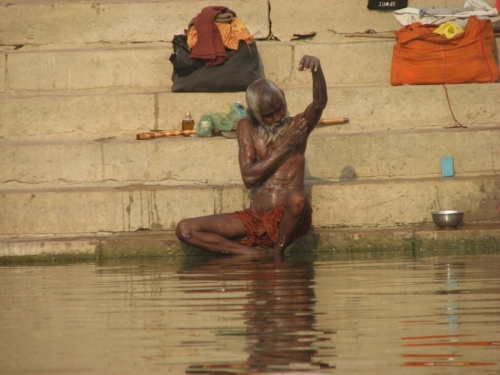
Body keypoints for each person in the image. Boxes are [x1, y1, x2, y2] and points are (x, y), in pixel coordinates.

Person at [175, 55, 328, 256]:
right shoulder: (246, 127)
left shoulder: (297, 126)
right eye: (268, 115)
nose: (276, 118)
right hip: (254, 217)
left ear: (283, 98)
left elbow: (319, 103)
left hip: (288, 218)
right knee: (185, 229)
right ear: (254, 114)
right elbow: (249, 177)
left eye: (279, 110)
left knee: (299, 199)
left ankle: (277, 254)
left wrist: (316, 70)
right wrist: (286, 145)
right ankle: (253, 255)